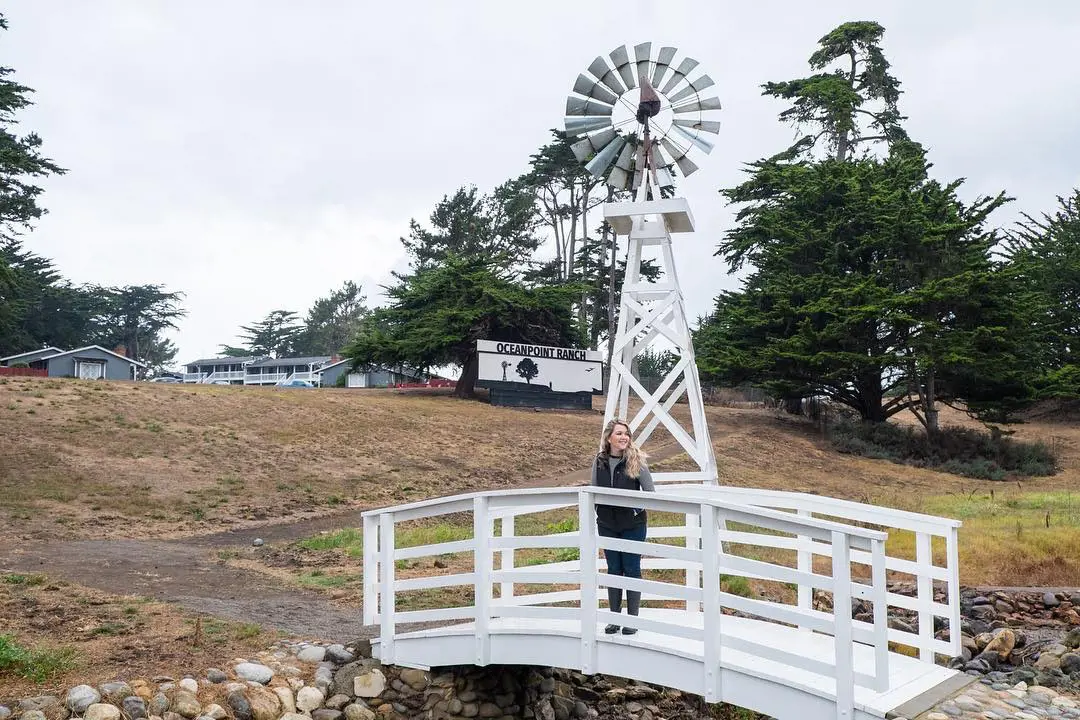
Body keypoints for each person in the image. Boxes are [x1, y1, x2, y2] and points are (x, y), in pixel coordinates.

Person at [591, 419, 654, 635]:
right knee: (614, 570)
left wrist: (635, 509)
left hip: (632, 524)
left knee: (631, 569)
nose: (623, 437)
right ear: (609, 438)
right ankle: (614, 619)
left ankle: (631, 620)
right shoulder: (599, 460)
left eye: (626, 433)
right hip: (608, 524)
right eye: (619, 433)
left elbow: (650, 493)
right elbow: (594, 490)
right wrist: (599, 510)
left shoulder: (637, 460)